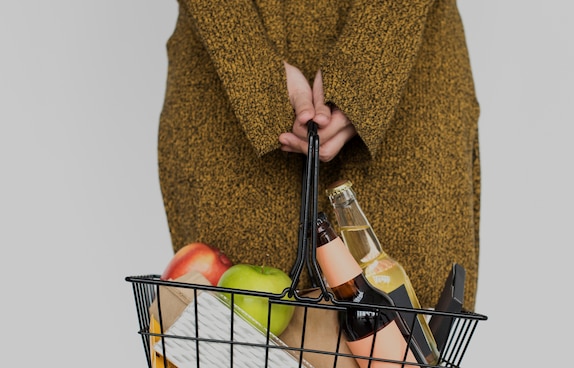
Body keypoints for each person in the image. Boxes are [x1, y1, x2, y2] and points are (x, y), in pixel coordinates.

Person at [157, 0, 481, 310]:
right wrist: (252, 70)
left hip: (407, 73)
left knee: (406, 341)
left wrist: (364, 73)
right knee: (231, 340)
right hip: (226, 89)